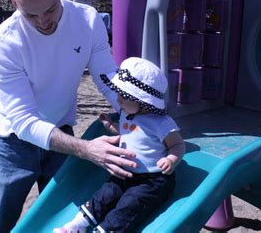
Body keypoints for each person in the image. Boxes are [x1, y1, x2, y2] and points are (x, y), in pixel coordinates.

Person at [0, 0, 138, 232]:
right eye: (31, 14)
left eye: (50, 9)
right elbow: (25, 121)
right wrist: (88, 149)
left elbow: (107, 77)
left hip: (61, 133)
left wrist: (135, 114)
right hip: (13, 145)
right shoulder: (2, 43)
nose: (43, 21)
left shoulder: (88, 20)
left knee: (66, 221)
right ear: (14, 3)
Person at [54, 57, 186, 232]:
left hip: (152, 180)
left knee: (129, 205)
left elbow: (178, 144)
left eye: (124, 96)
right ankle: (78, 225)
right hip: (126, 173)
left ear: (142, 101)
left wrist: (171, 159)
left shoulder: (161, 123)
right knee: (104, 195)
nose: (119, 100)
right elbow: (130, 133)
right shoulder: (128, 114)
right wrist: (112, 127)